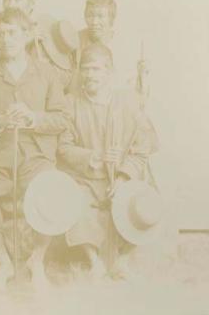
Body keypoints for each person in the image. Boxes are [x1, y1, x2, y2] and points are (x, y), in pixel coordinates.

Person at [0, 8, 68, 289]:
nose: (6, 39)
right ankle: (4, 263)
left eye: (13, 33)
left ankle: (37, 260)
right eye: (2, 33)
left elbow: (63, 118)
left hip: (35, 156)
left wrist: (34, 118)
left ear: (27, 35)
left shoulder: (46, 73)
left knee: (51, 193)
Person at [58, 44, 158, 279]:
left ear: (109, 71)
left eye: (96, 69)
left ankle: (122, 261)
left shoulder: (128, 102)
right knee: (74, 203)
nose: (90, 75)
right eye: (85, 69)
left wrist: (123, 177)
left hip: (121, 179)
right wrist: (94, 156)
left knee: (144, 204)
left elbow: (141, 148)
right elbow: (63, 147)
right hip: (86, 178)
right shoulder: (70, 103)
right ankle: (94, 262)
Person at [0, 0, 77, 90]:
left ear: (31, 4)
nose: (11, 4)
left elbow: (64, 74)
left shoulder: (45, 30)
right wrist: (23, 42)